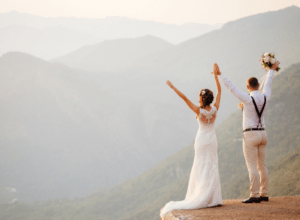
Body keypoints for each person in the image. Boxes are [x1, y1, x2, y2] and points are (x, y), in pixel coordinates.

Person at [160, 63, 223, 220]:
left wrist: (173, 87)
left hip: (201, 140)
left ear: (202, 98)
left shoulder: (199, 111)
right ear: (211, 98)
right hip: (212, 140)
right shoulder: (215, 109)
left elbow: (184, 98)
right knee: (212, 164)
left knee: (200, 166)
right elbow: (220, 90)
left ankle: (200, 195)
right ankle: (213, 198)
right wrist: (216, 76)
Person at [218, 61, 280, 203]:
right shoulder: (266, 96)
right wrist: (271, 70)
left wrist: (220, 75)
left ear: (247, 87)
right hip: (263, 133)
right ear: (258, 85)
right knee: (262, 165)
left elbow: (231, 87)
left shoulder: (247, 98)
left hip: (250, 134)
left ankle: (254, 195)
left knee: (252, 166)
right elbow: (269, 82)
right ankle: (264, 194)